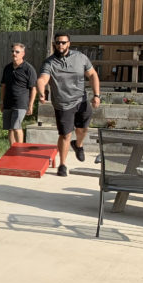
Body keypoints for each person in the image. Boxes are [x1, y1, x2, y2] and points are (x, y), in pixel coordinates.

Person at [36, 30, 101, 177]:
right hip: (63, 103)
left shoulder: (80, 58)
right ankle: (63, 164)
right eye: (58, 42)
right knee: (65, 134)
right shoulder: (49, 62)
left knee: (82, 129)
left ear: (69, 44)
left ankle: (78, 145)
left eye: (63, 42)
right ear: (54, 44)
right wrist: (41, 92)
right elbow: (42, 79)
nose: (60, 45)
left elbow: (92, 75)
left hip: (81, 100)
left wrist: (96, 95)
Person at [0, 43, 37, 146]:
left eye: (17, 52)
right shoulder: (7, 68)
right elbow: (3, 86)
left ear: (23, 54)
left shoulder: (28, 69)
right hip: (8, 103)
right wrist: (2, 101)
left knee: (16, 126)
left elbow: (33, 89)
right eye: (12, 51)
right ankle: (12, 151)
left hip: (21, 103)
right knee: (10, 128)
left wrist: (30, 105)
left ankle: (20, 151)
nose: (14, 54)